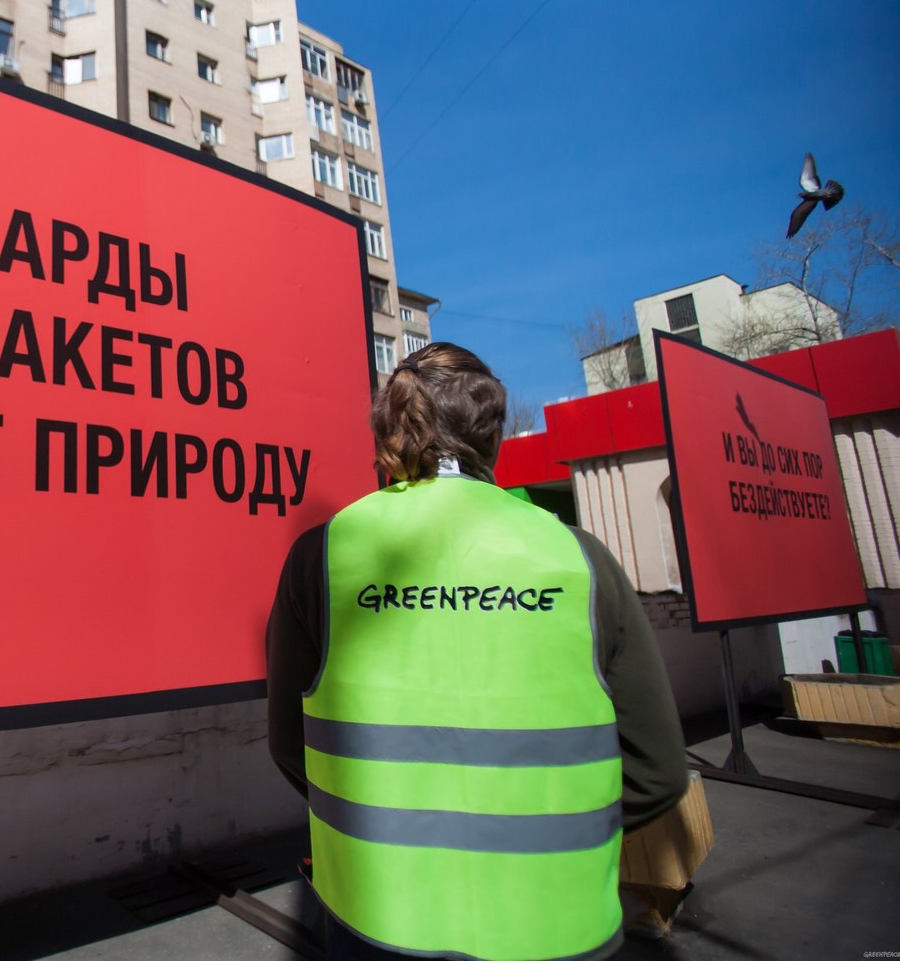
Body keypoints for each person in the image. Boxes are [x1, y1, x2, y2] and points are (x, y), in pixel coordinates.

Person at [266, 342, 688, 961]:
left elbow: (289, 746)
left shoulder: (321, 555)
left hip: (375, 912)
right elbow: (658, 772)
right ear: (494, 435)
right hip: (554, 921)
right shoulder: (578, 557)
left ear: (391, 429)